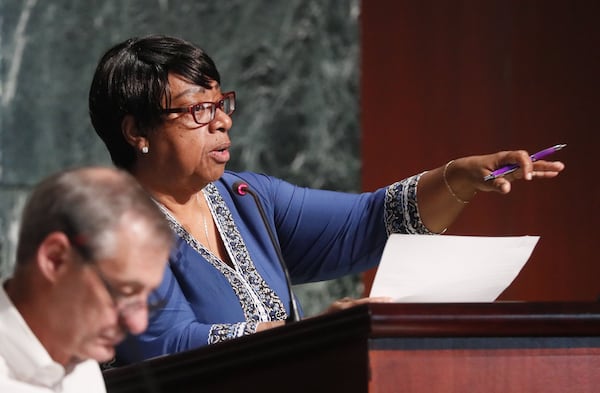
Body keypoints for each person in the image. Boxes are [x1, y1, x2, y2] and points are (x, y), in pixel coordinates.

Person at [88, 34, 565, 365]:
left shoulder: (246, 198)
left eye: (221, 104)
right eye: (198, 110)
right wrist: (317, 335)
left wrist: (457, 178)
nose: (222, 122)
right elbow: (170, 346)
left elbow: (366, 223)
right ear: (137, 132)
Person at [0, 167, 174, 392]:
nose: (137, 324)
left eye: (149, 300)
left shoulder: (81, 362)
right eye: (124, 292)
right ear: (55, 259)